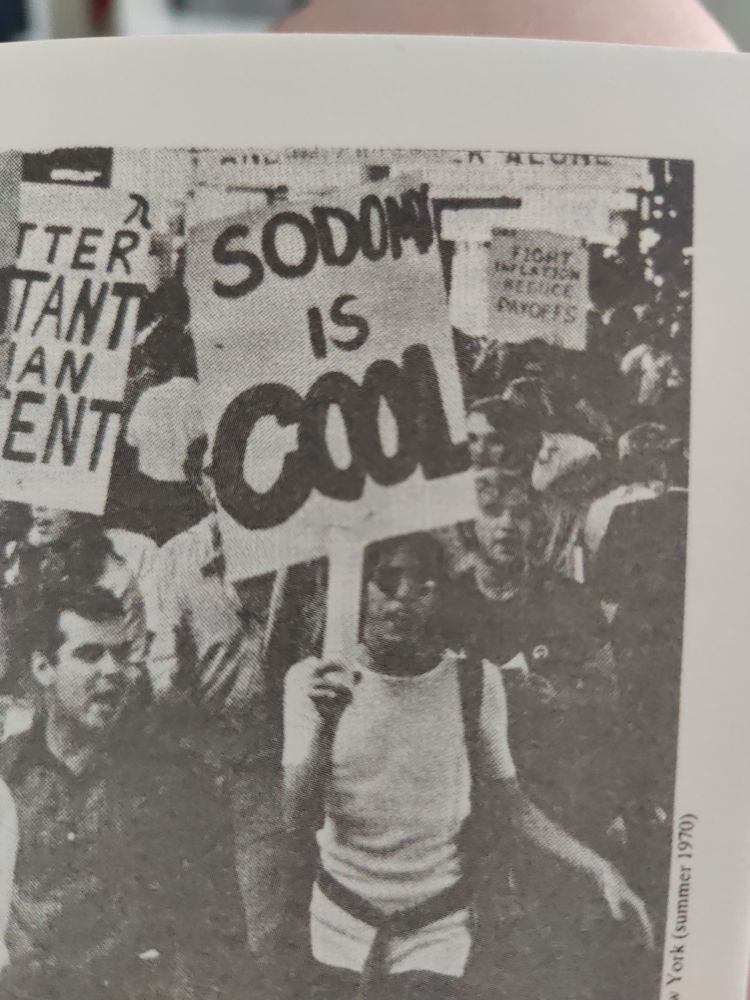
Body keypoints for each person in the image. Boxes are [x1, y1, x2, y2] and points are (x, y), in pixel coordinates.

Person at [283, 532, 652, 1000]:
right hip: (340, 922)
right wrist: (326, 725)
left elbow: (511, 804)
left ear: (442, 595)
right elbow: (295, 816)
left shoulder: (474, 683)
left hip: (436, 928)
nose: (403, 599)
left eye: (424, 584)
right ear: (359, 588)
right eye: (387, 581)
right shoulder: (312, 683)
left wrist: (599, 868)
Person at [0, 581, 248, 999]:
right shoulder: (6, 776)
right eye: (89, 653)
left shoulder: (174, 780)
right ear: (44, 668)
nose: (112, 671)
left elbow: (217, 933)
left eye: (122, 654)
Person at [148, 434, 324, 983]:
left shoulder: (301, 552)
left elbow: (320, 645)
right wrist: (168, 687)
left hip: (270, 765)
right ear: (201, 484)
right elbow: (160, 659)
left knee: (267, 925)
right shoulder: (177, 558)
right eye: (211, 472)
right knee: (197, 919)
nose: (225, 482)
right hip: (201, 760)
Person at [124, 321, 207, 544]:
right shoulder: (203, 397)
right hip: (188, 493)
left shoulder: (148, 397)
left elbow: (131, 440)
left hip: (151, 492)